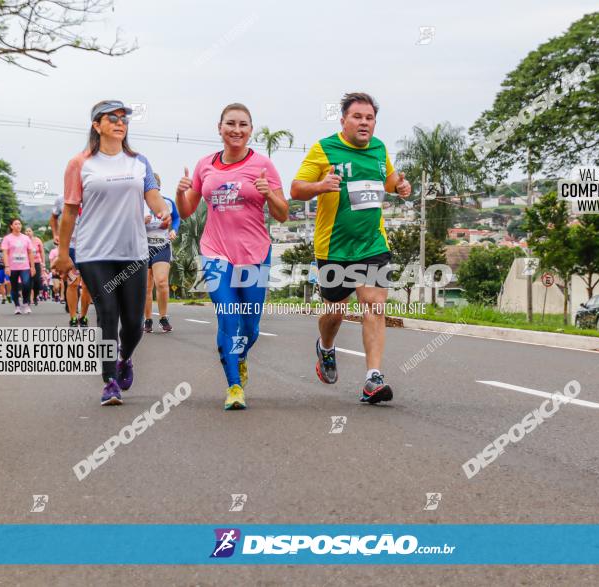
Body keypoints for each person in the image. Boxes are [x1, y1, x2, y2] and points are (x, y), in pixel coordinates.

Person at [290, 92, 411, 404]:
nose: (364, 123)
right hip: (334, 247)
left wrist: (400, 186)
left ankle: (373, 377)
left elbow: (388, 180)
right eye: (357, 117)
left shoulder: (379, 148)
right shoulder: (324, 149)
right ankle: (326, 347)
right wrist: (319, 186)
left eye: (369, 118)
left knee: (374, 305)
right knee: (336, 311)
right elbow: (296, 188)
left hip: (372, 243)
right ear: (343, 120)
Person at [54, 100, 170, 406]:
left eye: (124, 118)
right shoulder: (79, 163)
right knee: (108, 312)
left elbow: (153, 196)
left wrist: (164, 211)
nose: (120, 122)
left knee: (133, 323)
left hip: (132, 250)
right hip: (93, 251)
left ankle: (124, 357)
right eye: (112, 118)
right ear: (97, 125)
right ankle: (109, 383)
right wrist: (64, 254)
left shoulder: (139, 161)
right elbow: (68, 213)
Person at [176, 103, 289, 410]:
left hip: (255, 253)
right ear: (219, 127)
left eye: (243, 125)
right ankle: (234, 386)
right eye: (230, 124)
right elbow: (186, 211)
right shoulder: (204, 165)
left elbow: (282, 215)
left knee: (250, 327)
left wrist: (269, 194)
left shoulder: (263, 165)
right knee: (228, 314)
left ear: (250, 130)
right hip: (215, 252)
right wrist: (179, 192)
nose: (236, 130)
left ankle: (237, 354)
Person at [143, 173, 181, 333]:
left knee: (162, 282)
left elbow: (177, 218)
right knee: (146, 286)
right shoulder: (139, 203)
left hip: (161, 246)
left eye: (156, 187)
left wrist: (174, 230)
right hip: (143, 248)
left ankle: (163, 317)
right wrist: (140, 220)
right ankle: (148, 319)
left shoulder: (167, 202)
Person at [51, 194, 92, 326]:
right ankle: (73, 317)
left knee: (87, 286)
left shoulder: (93, 195)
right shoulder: (61, 199)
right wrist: (56, 234)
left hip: (89, 247)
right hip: (71, 247)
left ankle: (83, 316)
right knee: (73, 283)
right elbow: (53, 218)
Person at [1, 218, 36, 314]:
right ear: (11, 226)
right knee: (15, 287)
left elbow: (30, 253)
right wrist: (7, 266)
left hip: (25, 266)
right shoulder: (7, 238)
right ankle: (17, 306)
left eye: (19, 224)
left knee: (26, 284)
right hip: (13, 267)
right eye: (16, 224)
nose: (18, 226)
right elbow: (5, 253)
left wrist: (32, 266)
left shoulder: (26, 238)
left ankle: (25, 303)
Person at [25, 227, 46, 306]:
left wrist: (43, 263)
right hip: (27, 263)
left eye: (29, 231)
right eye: (26, 231)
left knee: (37, 281)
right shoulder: (23, 241)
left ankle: (35, 296)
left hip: (37, 263)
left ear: (32, 232)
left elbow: (42, 252)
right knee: (28, 281)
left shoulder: (37, 240)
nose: (28, 232)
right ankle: (29, 299)